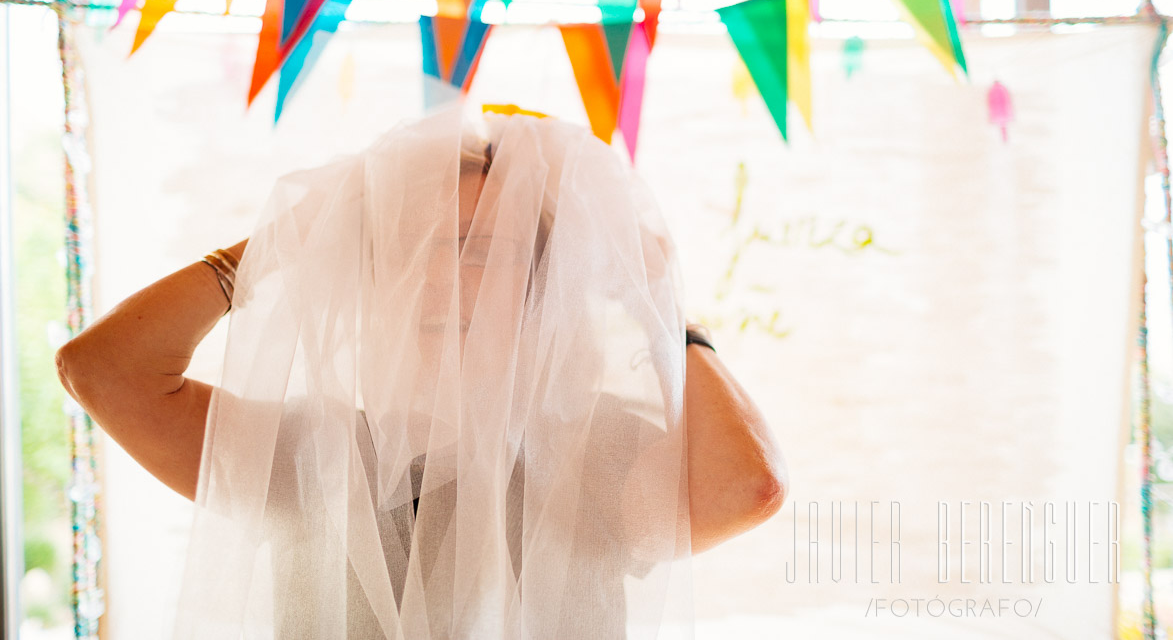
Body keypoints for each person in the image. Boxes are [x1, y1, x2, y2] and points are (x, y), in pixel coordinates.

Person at [55, 100, 788, 638]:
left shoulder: (595, 454)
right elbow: (102, 370)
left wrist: (666, 311)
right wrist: (277, 243)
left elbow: (748, 488)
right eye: (419, 246)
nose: (443, 276)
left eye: (479, 251)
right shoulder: (306, 451)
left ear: (541, 283)